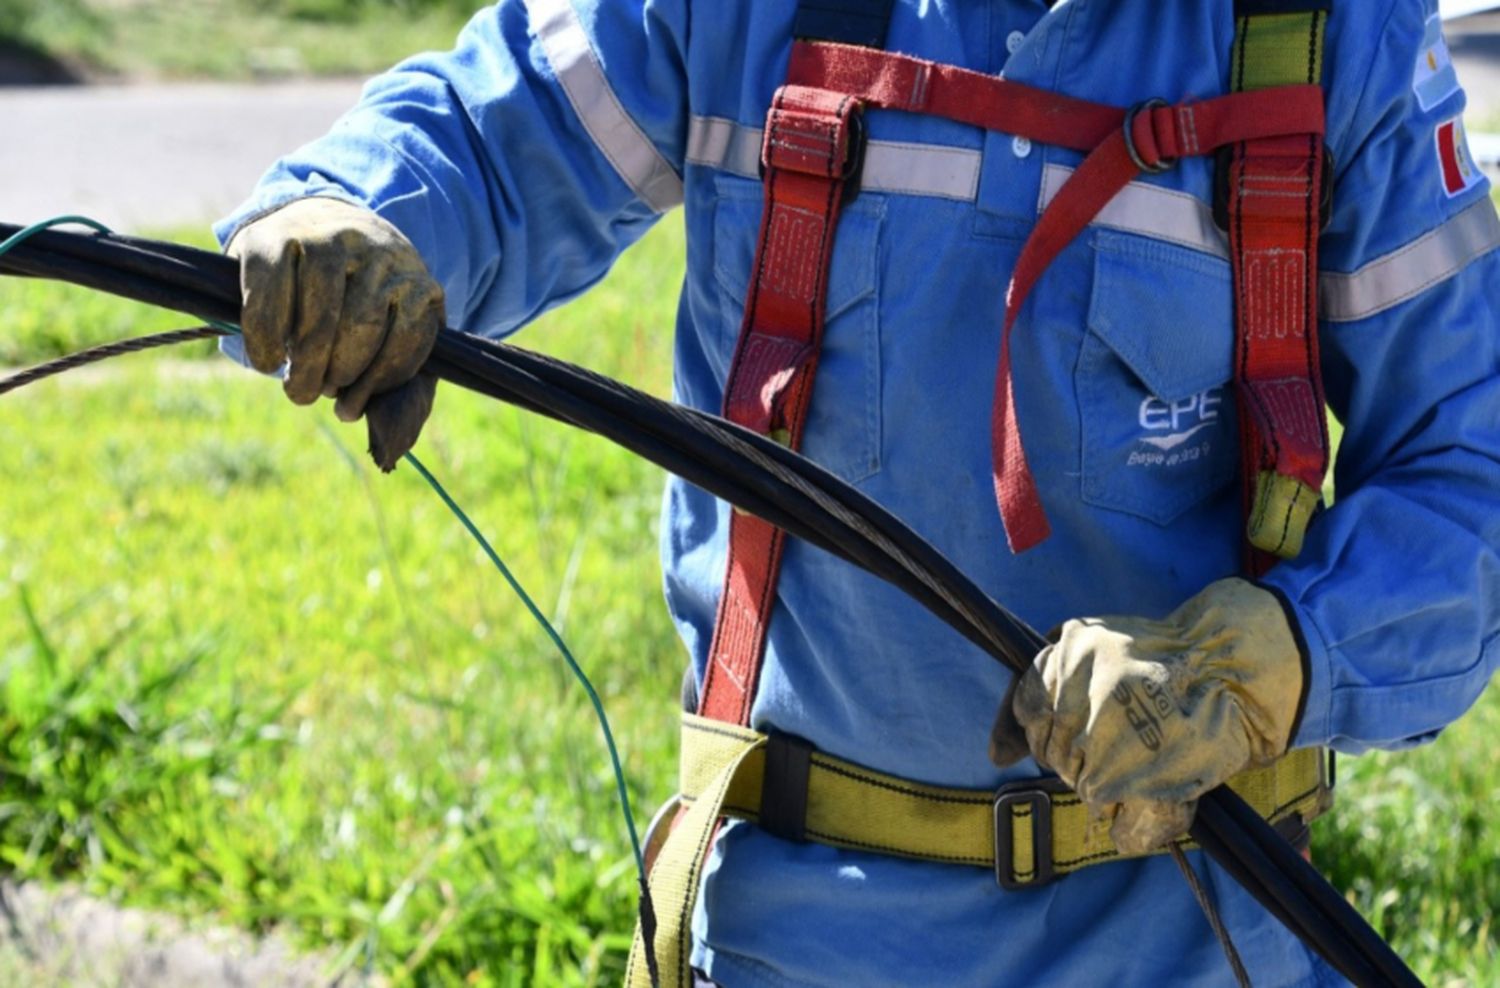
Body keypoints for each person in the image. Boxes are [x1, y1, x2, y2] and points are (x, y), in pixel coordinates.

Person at [218, 1, 1500, 984]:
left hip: (1193, 938)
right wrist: (353, 213)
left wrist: (1283, 654)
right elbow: (491, 138)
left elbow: (1471, 471)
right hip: (800, 935)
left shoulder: (1329, 42)